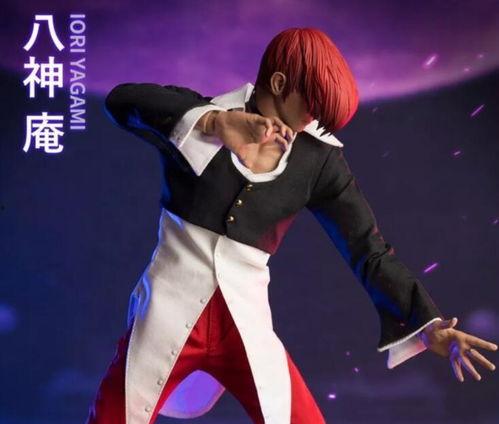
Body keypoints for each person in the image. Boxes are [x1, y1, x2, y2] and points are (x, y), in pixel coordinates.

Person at [87, 27, 498, 424]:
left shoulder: (319, 160)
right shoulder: (199, 118)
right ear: (280, 83)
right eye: (312, 105)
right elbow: (122, 101)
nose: (314, 119)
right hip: (166, 311)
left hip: (246, 325)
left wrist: (427, 326)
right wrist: (216, 122)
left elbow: (367, 250)